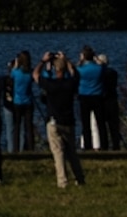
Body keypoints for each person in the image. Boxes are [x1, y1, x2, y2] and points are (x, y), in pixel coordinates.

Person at [38, 52, 82, 187]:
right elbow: (76, 75)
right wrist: (66, 60)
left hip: (54, 121)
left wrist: (42, 61)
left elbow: (35, 75)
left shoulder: (50, 84)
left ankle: (62, 180)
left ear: (55, 70)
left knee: (58, 153)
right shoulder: (70, 84)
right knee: (72, 152)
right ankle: (79, 178)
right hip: (68, 120)